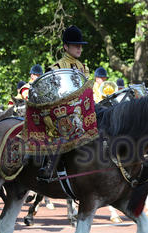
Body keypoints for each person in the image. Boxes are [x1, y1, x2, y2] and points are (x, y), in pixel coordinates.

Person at [37, 25, 89, 180]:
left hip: (81, 108)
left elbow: (87, 90)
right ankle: (48, 167)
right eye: (75, 45)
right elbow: (47, 94)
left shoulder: (83, 67)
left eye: (80, 45)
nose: (79, 48)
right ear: (66, 47)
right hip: (60, 109)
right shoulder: (55, 67)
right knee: (66, 125)